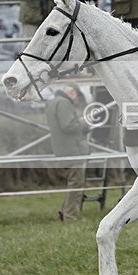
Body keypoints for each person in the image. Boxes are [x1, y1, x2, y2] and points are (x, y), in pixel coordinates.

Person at [46, 84, 89, 221]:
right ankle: (70, 216)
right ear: (71, 92)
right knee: (76, 183)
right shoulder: (63, 103)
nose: (76, 97)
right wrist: (85, 124)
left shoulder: (54, 102)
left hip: (64, 150)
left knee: (73, 183)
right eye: (76, 94)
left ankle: (64, 212)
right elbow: (68, 126)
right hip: (72, 150)